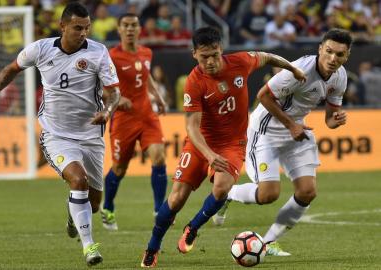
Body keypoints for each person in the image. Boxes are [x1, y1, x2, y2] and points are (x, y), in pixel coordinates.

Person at [140, 26, 306, 268]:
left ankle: (192, 228)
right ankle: (152, 247)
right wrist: (209, 154)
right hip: (201, 145)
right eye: (204, 56)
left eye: (214, 55)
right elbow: (192, 128)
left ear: (221, 50)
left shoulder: (241, 62)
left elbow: (269, 56)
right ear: (194, 54)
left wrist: (293, 68)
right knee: (176, 200)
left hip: (232, 144)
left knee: (222, 187)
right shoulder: (194, 83)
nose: (210, 61)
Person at [0, 2, 120, 266]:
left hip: (91, 135)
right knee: (78, 180)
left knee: (94, 204)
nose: (83, 33)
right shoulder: (41, 49)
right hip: (56, 135)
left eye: (87, 27)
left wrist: (109, 110)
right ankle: (90, 246)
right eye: (78, 28)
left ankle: (73, 214)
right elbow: (12, 69)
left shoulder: (99, 52)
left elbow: (114, 92)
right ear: (63, 26)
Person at [213, 28, 352, 256]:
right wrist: (291, 125)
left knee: (307, 191)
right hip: (267, 129)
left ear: (347, 56)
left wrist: (336, 120)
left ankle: (267, 243)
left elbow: (329, 119)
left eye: (339, 54)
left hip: (296, 129)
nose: (333, 58)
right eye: (329, 52)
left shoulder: (340, 76)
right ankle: (229, 193)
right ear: (320, 49)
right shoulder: (299, 70)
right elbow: (262, 96)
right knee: (268, 194)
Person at [101, 13, 168, 231]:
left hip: (147, 115)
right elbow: (102, 89)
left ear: (140, 30)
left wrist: (157, 96)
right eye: (126, 25)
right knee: (119, 169)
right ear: (119, 29)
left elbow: (145, 75)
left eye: (134, 25)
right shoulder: (111, 56)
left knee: (158, 156)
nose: (130, 29)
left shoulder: (146, 52)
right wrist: (119, 99)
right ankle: (108, 207)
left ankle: (159, 210)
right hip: (123, 119)